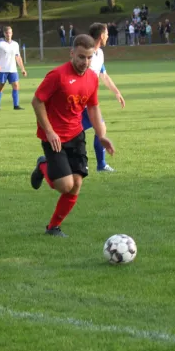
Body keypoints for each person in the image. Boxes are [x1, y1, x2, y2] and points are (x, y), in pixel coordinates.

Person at [28, 34, 115, 237]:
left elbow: (93, 107)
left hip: (76, 135)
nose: (85, 62)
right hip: (54, 137)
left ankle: (53, 228)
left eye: (89, 57)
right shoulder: (57, 75)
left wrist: (101, 135)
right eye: (81, 57)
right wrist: (49, 131)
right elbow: (37, 101)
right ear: (72, 53)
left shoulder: (92, 78)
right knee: (64, 186)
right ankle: (43, 165)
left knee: (76, 185)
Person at [81, 22, 125, 172]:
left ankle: (99, 164)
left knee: (95, 129)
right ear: (101, 35)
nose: (107, 36)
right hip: (80, 100)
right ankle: (93, 164)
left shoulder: (100, 54)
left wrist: (117, 92)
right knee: (95, 130)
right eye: (106, 33)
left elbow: (104, 75)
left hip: (89, 100)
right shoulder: (88, 53)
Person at [0, 26, 27, 111]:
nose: (9, 34)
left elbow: (18, 57)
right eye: (7, 33)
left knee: (16, 86)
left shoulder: (15, 44)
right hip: (3, 69)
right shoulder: (0, 44)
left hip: (13, 69)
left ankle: (16, 105)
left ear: (12, 33)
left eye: (10, 33)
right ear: (4, 34)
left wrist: (22, 69)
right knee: (1, 86)